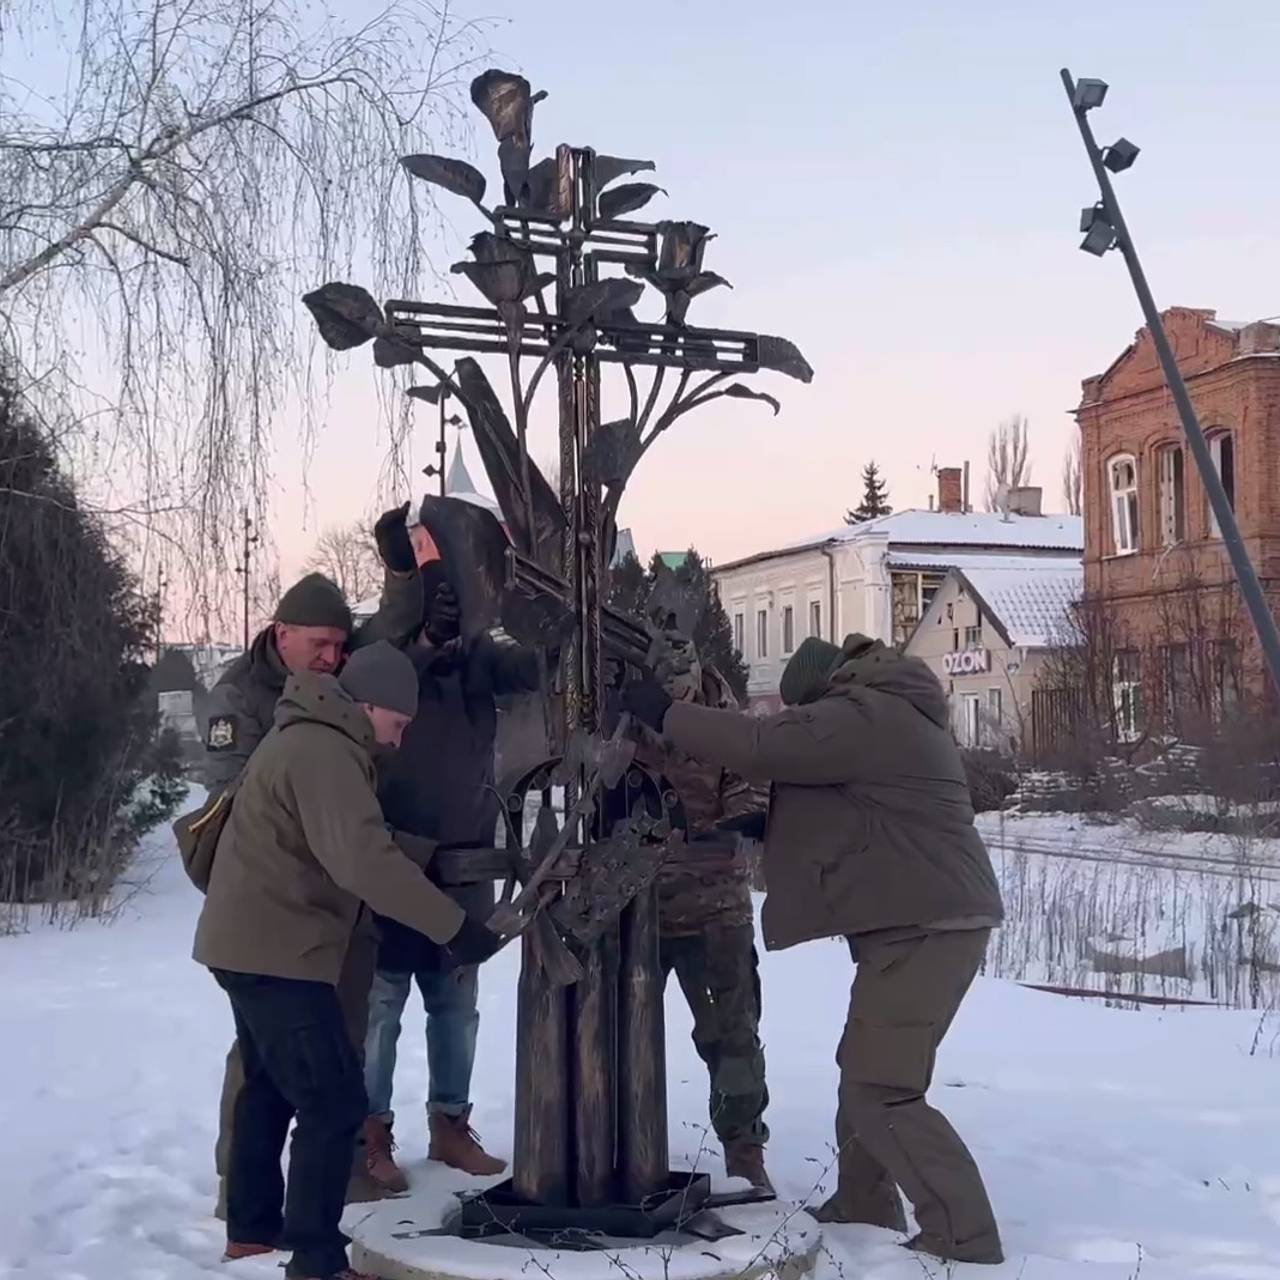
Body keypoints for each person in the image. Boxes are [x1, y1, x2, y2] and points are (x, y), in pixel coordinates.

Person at [621, 634, 1006, 1266]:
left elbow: (760, 747)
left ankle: (964, 1237)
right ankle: (865, 1201)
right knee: (862, 1068)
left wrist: (666, 715)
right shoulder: (886, 711)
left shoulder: (864, 712)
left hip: (925, 927)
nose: (806, 724)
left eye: (807, 714)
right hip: (915, 922)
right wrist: (762, 827)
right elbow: (849, 808)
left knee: (881, 1089)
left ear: (825, 691)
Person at [193, 642, 507, 1280]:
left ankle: (252, 1230)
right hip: (279, 951)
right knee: (335, 1102)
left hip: (249, 943)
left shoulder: (311, 739)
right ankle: (316, 1259)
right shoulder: (325, 752)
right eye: (399, 723)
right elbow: (363, 861)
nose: (400, 739)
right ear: (370, 705)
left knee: (268, 1087)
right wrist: (454, 927)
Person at [203, 506, 422, 1217]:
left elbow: (395, 629)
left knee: (345, 1035)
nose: (332, 657)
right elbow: (240, 801)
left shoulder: (346, 674)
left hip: (339, 901)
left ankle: (336, 1176)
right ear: (281, 635)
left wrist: (400, 566)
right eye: (319, 645)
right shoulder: (239, 697)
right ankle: (244, 1188)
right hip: (275, 906)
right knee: (262, 1062)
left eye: (339, 645)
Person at [359, 552, 541, 1192]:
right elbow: (383, 669)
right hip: (394, 863)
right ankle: (370, 1134)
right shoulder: (387, 657)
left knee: (455, 1007)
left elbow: (528, 672)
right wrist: (429, 642)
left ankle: (450, 1125)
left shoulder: (481, 659)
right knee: (380, 1009)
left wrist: (554, 638)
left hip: (464, 866)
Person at [634, 630, 773, 1193]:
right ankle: (626, 1149)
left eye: (683, 690)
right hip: (635, 910)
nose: (677, 700)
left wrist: (727, 826)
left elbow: (755, 794)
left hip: (714, 910)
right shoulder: (627, 709)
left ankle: (744, 1151)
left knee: (732, 1035)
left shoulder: (728, 723)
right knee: (623, 1037)